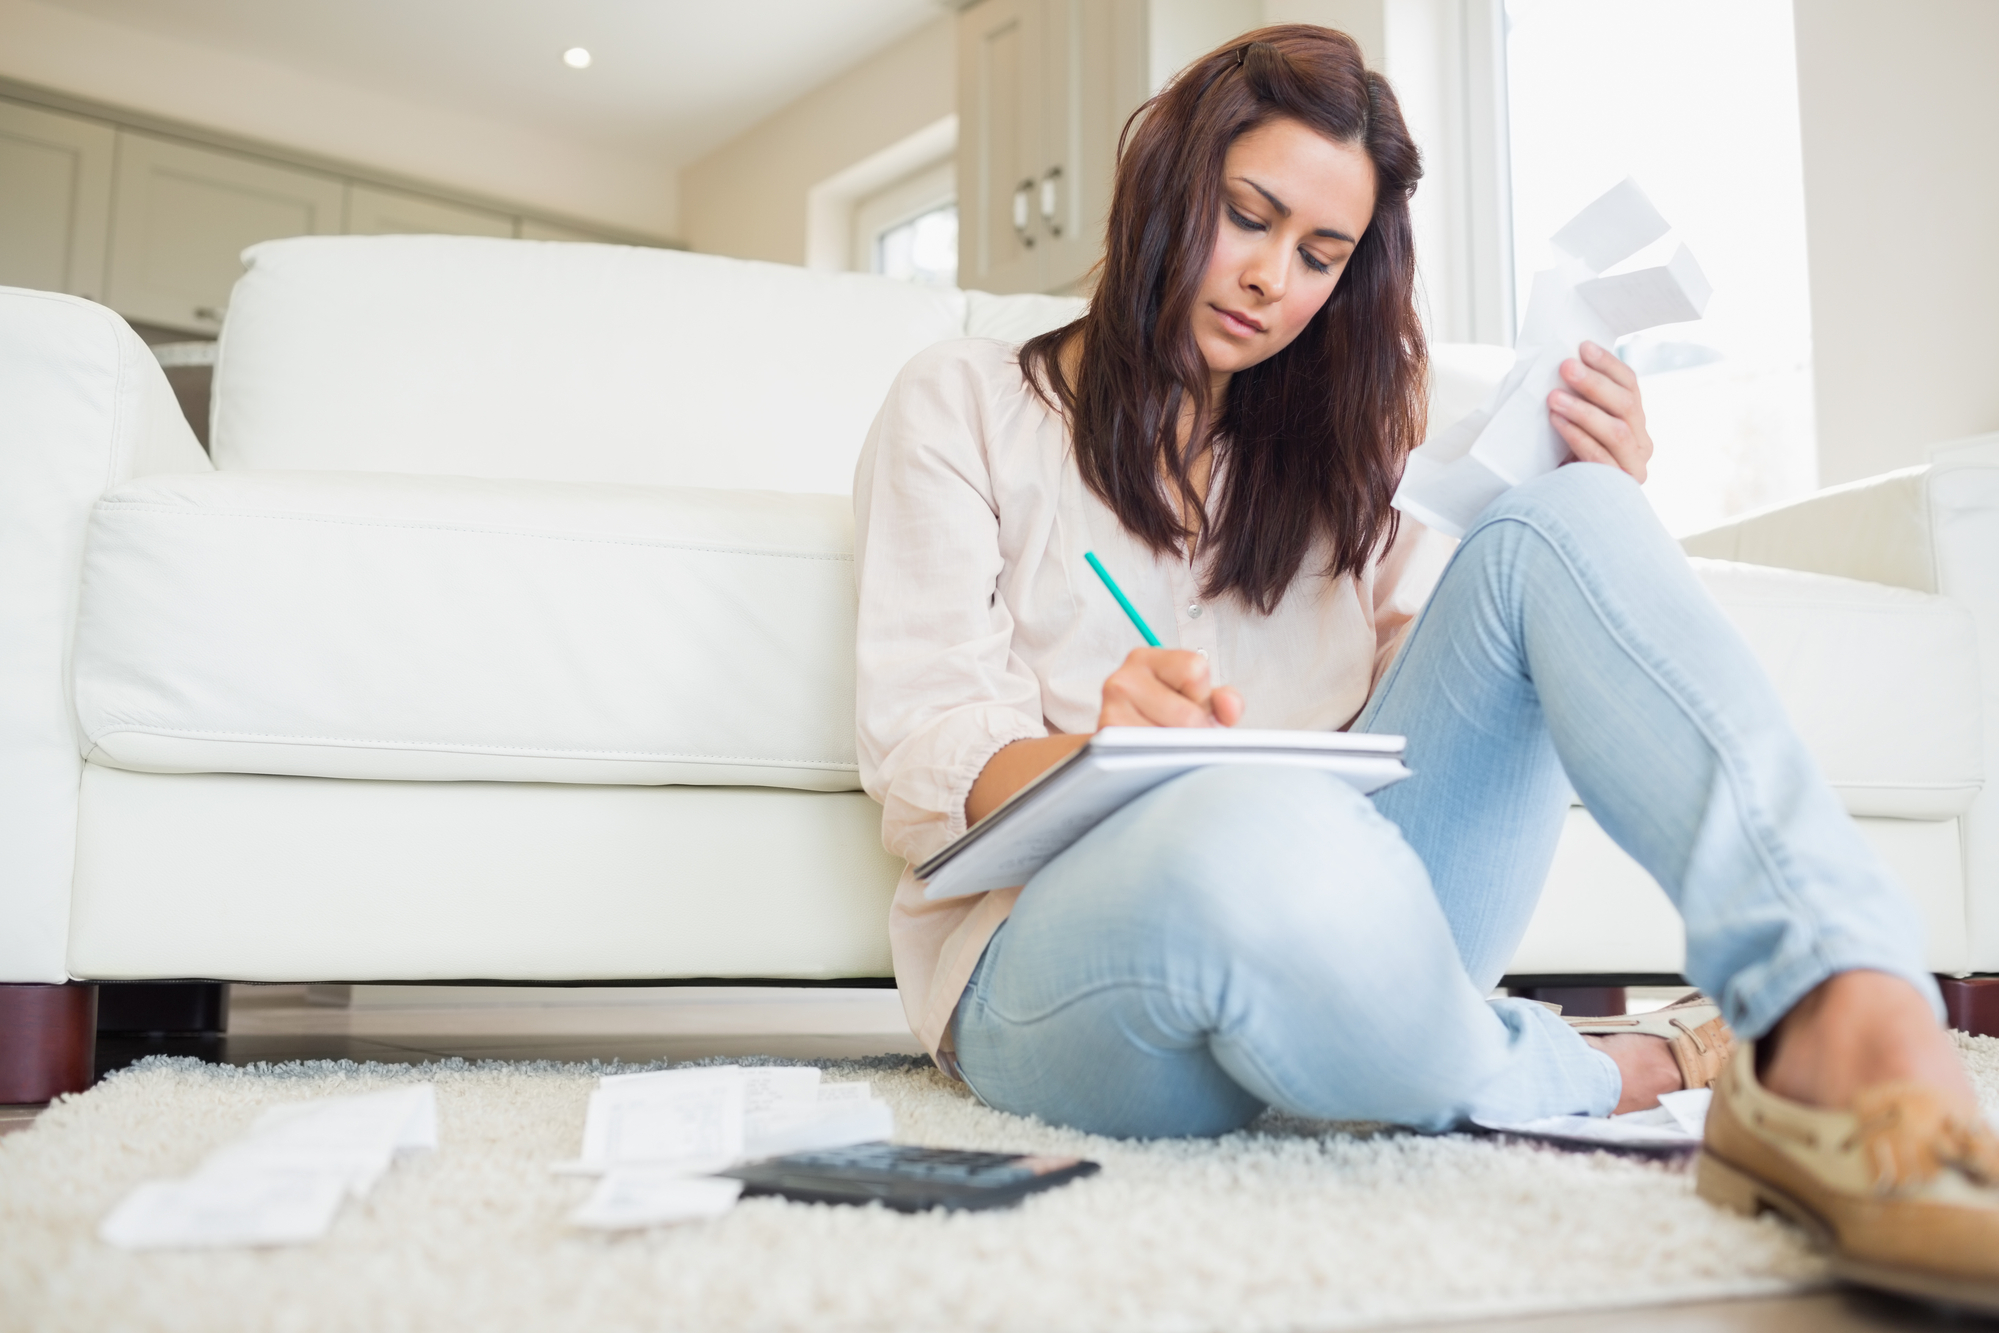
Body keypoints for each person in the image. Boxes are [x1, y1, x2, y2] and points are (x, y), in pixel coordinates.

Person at [853, 25, 1998, 1305]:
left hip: (1359, 919)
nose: (1270, 282)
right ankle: (1607, 1069)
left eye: (1318, 256)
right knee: (1245, 831)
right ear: (1172, 183)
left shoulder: (1348, 447)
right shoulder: (960, 403)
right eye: (1248, 217)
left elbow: (1456, 696)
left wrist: (1597, 502)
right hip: (1068, 964)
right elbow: (921, 754)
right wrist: (1100, 755)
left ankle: (1854, 1018)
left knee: (1564, 518)